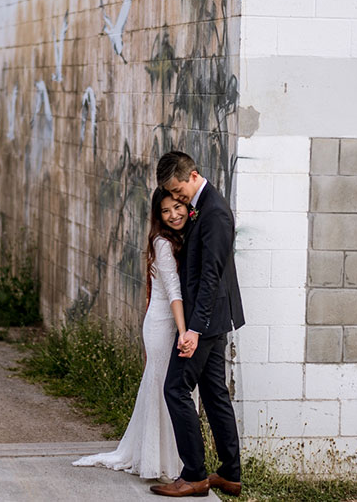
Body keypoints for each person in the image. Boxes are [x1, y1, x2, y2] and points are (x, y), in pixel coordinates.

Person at [72, 187, 190, 482]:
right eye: (165, 211)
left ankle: (170, 458)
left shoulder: (184, 237)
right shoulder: (163, 243)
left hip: (172, 323)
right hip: (164, 325)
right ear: (158, 216)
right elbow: (174, 293)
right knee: (162, 389)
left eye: (177, 207)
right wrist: (184, 331)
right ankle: (156, 460)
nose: (173, 214)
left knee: (167, 389)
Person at [150, 151, 246, 498]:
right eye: (171, 194)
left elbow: (211, 277)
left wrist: (193, 329)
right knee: (214, 392)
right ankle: (229, 474)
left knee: (175, 389)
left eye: (178, 191)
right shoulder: (202, 205)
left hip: (204, 321)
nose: (176, 199)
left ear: (192, 175)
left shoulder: (216, 213)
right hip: (210, 319)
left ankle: (194, 474)